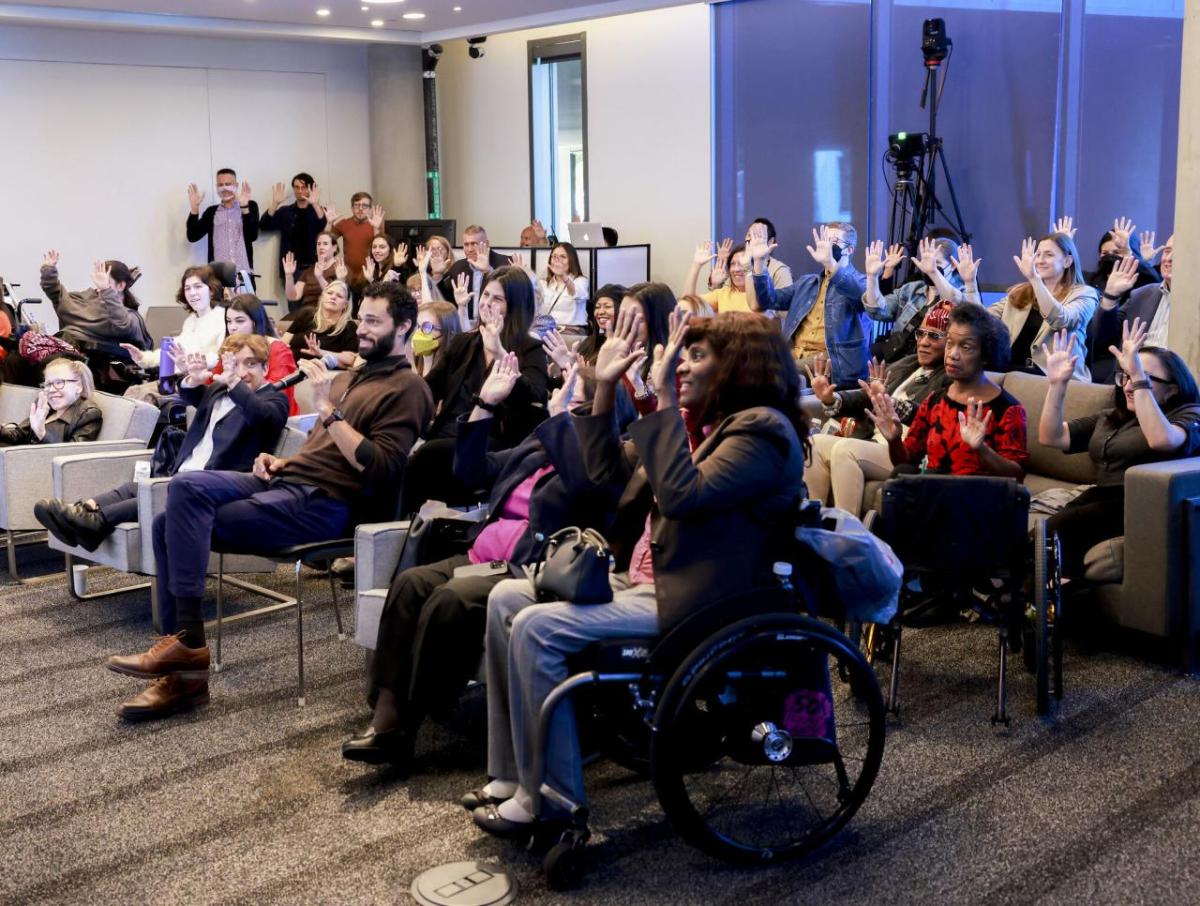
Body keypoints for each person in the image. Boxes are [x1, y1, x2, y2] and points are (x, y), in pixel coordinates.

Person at [466, 308, 807, 837]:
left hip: (699, 601)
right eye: (683, 355)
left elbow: (684, 496)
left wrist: (665, 403)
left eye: (698, 356)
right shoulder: (698, 426)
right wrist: (601, 388)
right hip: (651, 580)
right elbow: (604, 476)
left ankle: (551, 801)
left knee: (537, 626)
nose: (683, 365)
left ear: (738, 367)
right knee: (506, 599)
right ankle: (513, 775)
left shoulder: (762, 432)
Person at [103, 282, 433, 720]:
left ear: (404, 327)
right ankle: (185, 655)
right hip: (288, 481)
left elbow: (383, 467)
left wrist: (328, 411)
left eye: (374, 322)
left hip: (323, 506)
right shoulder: (358, 377)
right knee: (180, 496)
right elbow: (324, 450)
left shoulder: (408, 389)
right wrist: (282, 460)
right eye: (363, 320)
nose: (364, 330)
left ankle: (185, 662)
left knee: (172, 523)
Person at [342, 359, 616, 769]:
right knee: (410, 584)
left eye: (574, 399)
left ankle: (403, 722)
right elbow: (470, 472)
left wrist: (560, 425)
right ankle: (387, 712)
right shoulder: (536, 446)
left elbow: (591, 495)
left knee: (449, 599)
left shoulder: (602, 459)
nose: (559, 401)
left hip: (529, 569)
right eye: (562, 395)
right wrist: (484, 405)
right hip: (482, 558)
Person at [35, 334, 288, 551]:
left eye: (250, 364)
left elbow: (261, 416)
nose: (242, 372)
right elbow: (189, 392)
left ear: (265, 368)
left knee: (151, 493)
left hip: (220, 485)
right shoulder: (219, 391)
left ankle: (92, 522)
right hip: (185, 473)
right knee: (134, 487)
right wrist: (192, 377)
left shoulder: (273, 399)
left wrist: (232, 379)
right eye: (234, 364)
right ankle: (83, 509)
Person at [1039, 321, 1200, 579]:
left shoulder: (1188, 413)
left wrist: (1138, 379)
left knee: (1055, 530)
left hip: (1141, 504)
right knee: (1040, 535)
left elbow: (1162, 440)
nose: (1127, 386)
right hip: (1101, 497)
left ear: (1172, 389)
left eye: (1142, 377)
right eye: (1125, 376)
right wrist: (1057, 385)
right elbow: (1051, 436)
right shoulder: (1113, 416)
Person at [806, 303, 952, 516]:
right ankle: (812, 526)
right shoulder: (906, 365)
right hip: (874, 441)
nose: (923, 342)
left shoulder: (950, 378)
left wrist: (889, 403)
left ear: (951, 343)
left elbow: (933, 414)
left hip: (906, 451)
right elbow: (866, 396)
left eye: (934, 336)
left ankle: (849, 537)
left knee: (845, 450)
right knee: (813, 443)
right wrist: (831, 397)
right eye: (921, 334)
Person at [866, 303, 1027, 479]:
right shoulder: (935, 401)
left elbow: (1017, 476)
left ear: (987, 355)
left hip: (979, 499)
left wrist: (981, 449)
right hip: (935, 494)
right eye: (950, 344)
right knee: (900, 474)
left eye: (965, 347)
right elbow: (906, 462)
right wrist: (894, 440)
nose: (952, 354)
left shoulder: (1008, 409)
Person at [424, 265, 547, 445]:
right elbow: (429, 388)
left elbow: (533, 399)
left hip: (492, 444)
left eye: (497, 298)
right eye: (486, 294)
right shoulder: (463, 342)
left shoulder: (531, 348)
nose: (487, 303)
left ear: (514, 307)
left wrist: (498, 352)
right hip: (447, 432)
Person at [959, 232, 1097, 381]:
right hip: (1011, 370)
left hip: (1053, 375)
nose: (1040, 260)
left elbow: (1060, 320)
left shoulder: (1085, 294)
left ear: (1067, 261)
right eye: (1037, 255)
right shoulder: (1020, 292)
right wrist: (970, 283)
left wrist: (1034, 279)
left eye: (1049, 255)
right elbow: (981, 322)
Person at [748, 222, 869, 387]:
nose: (826, 245)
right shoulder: (807, 282)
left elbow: (858, 294)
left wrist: (831, 265)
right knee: (747, 367)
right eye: (824, 240)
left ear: (848, 249)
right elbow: (768, 300)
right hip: (795, 355)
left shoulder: (863, 283)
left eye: (832, 241)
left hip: (832, 361)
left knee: (771, 373)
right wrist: (759, 262)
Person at [863, 236, 967, 362]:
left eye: (936, 263)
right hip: (896, 352)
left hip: (929, 360)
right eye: (926, 263)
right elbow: (878, 311)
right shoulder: (911, 289)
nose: (928, 268)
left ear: (952, 265)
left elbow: (955, 304)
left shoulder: (962, 293)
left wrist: (934, 273)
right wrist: (872, 277)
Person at [1089, 234, 1174, 384]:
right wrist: (1110, 297)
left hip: (1174, 385)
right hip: (1128, 381)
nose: (1168, 258)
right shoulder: (1142, 295)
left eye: (1177, 252)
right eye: (1167, 251)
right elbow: (1102, 338)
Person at [121, 266, 227, 373]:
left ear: (211, 291)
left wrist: (192, 362)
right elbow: (173, 350)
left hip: (203, 380)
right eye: (187, 288)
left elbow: (221, 357)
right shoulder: (191, 321)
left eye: (198, 287)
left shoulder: (223, 318)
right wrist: (143, 357)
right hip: (181, 377)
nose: (192, 293)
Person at [39, 252, 152, 352]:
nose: (99, 287)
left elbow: (124, 326)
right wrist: (49, 272)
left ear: (121, 285)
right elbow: (57, 295)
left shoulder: (131, 317)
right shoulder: (85, 300)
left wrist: (106, 291)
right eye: (99, 280)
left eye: (105, 281)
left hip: (87, 359)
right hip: (63, 346)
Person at [219, 294, 299, 415]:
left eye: (239, 321)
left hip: (271, 416)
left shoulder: (277, 348)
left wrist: (234, 386)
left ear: (255, 322)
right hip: (234, 412)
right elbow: (213, 384)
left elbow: (276, 391)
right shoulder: (229, 347)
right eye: (229, 321)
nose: (232, 327)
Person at [0, 357, 101, 446]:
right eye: (48, 384)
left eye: (59, 382)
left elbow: (70, 459)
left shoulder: (88, 414)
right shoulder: (46, 405)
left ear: (78, 386)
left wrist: (42, 433)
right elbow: (18, 435)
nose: (51, 390)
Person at [185, 169, 258, 273]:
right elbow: (192, 236)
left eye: (228, 184)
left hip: (244, 275)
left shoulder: (250, 206)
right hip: (217, 277)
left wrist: (244, 207)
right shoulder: (212, 212)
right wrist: (194, 209)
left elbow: (253, 236)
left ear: (236, 185)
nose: (224, 188)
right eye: (220, 185)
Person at [258, 172, 328, 280]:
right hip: (291, 268)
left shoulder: (319, 210)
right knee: (292, 297)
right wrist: (275, 203)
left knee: (317, 297)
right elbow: (264, 225)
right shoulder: (285, 212)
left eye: (303, 187)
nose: (300, 191)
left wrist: (315, 204)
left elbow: (325, 228)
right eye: (296, 187)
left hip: (316, 266)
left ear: (310, 189)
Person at [438, 225, 511, 322]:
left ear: (487, 244)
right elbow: (443, 298)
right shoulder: (458, 267)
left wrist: (488, 270)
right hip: (465, 324)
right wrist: (437, 275)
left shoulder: (506, 263)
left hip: (497, 322)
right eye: (466, 244)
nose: (469, 249)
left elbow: (511, 295)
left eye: (474, 244)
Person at [281, 280, 359, 368]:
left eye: (339, 296)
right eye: (329, 293)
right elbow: (284, 343)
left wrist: (320, 352)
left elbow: (351, 358)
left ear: (345, 305)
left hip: (320, 373)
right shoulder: (306, 314)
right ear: (322, 297)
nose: (333, 297)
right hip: (288, 368)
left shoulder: (349, 326)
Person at [284, 231, 345, 312]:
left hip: (327, 313)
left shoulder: (340, 268)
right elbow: (293, 296)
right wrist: (288, 275)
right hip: (306, 313)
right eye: (318, 244)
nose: (321, 247)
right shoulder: (309, 271)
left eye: (325, 244)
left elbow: (335, 296)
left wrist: (320, 277)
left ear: (334, 248)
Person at [537, 242, 589, 329]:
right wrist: (519, 274)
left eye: (563, 257)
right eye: (554, 256)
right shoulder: (544, 283)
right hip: (547, 330)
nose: (557, 260)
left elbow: (575, 292)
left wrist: (564, 277)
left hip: (572, 331)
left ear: (572, 260)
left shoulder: (580, 281)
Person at [686, 241, 749, 312]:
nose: (736, 269)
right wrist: (696, 265)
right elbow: (686, 305)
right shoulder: (722, 294)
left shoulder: (761, 295)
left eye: (742, 263)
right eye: (733, 264)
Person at [330, 192, 386, 273]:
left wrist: (377, 228)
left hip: (371, 273)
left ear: (370, 209)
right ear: (352, 208)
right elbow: (325, 241)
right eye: (357, 205)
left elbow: (381, 250)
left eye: (364, 206)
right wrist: (329, 223)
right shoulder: (344, 223)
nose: (360, 209)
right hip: (348, 274)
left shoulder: (376, 224)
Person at [575, 283, 626, 365]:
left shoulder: (628, 346)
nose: (601, 312)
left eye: (607, 306)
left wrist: (586, 374)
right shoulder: (588, 343)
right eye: (597, 307)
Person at [410, 300, 461, 378]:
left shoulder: (457, 364)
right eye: (418, 326)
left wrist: (428, 360)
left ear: (448, 332)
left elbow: (428, 389)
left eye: (427, 327)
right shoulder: (416, 355)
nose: (419, 332)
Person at [416, 236, 456, 304]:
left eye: (440, 248)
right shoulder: (422, 272)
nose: (436, 252)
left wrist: (438, 274)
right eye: (432, 249)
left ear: (447, 252)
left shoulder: (455, 272)